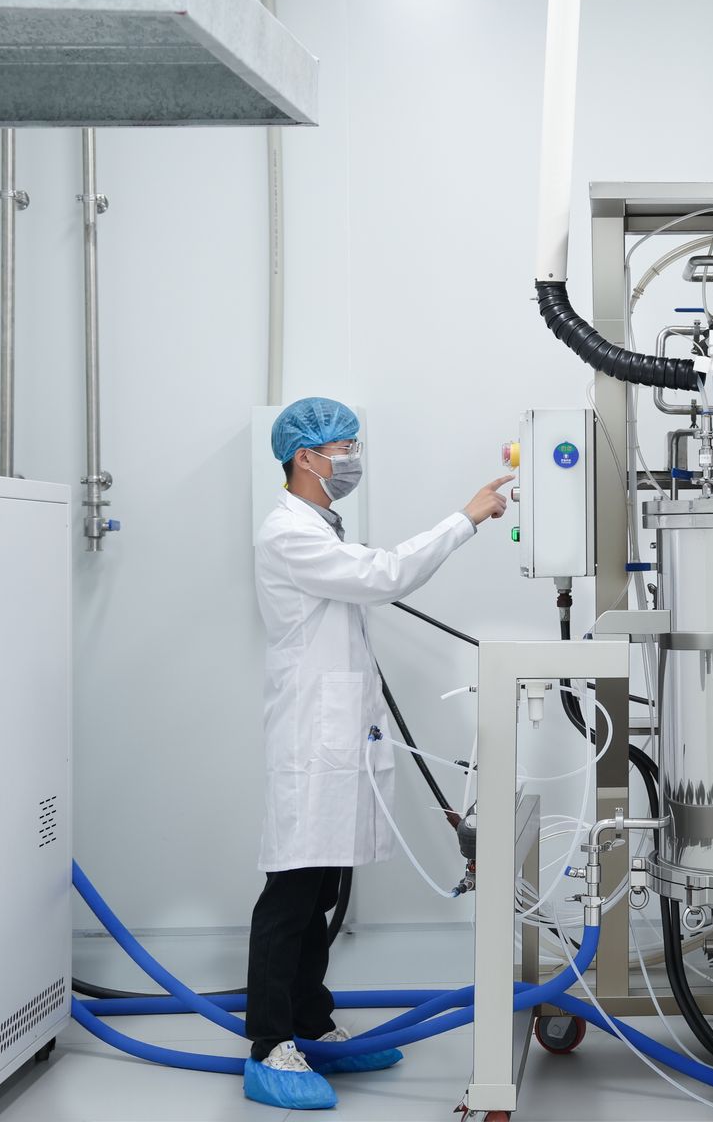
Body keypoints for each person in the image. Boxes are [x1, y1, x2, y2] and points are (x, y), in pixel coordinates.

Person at [243, 396, 513, 1110]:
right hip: (310, 741)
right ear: (307, 457)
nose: (352, 458)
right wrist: (465, 519)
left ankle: (312, 1025)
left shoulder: (319, 529)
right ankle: (268, 1045)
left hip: (335, 739)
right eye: (345, 447)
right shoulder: (287, 533)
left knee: (322, 893)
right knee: (291, 895)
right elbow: (385, 575)